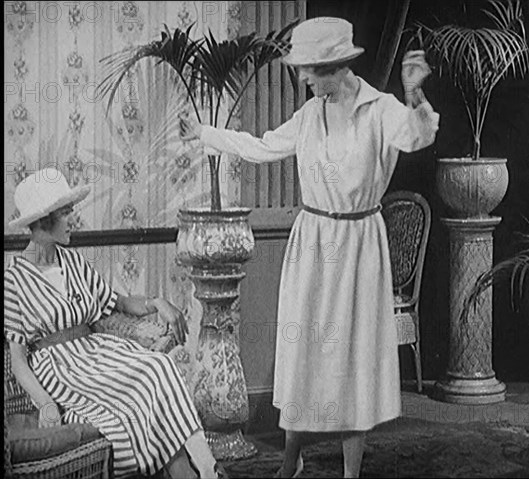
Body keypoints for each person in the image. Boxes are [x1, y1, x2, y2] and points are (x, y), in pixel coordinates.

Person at [180, 17, 439, 478]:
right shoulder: (309, 115)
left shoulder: (381, 109)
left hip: (359, 246)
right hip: (313, 242)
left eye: (309, 71)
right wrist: (205, 134)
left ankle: (350, 472)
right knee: (303, 354)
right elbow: (261, 146)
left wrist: (414, 94)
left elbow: (417, 135)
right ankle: (289, 460)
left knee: (352, 357)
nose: (301, 79)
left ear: (336, 65)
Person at [4, 168, 227, 479]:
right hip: (60, 368)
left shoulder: (73, 261)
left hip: (96, 352)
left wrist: (155, 302)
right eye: (66, 213)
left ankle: (201, 469)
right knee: (135, 396)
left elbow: (118, 302)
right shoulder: (13, 279)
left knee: (158, 367)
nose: (73, 220)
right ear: (44, 220)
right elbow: (17, 361)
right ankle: (197, 472)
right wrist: (44, 404)